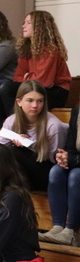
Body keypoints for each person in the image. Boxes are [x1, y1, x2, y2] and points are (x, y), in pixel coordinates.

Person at [0, 10, 71, 125]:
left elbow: (43, 81)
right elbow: (18, 77)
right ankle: (2, 130)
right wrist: (29, 78)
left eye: (28, 23)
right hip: (35, 88)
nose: (23, 26)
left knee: (7, 88)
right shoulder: (26, 50)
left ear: (39, 27)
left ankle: (18, 128)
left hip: (56, 92)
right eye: (24, 22)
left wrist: (27, 77)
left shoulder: (51, 50)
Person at [0, 80, 66, 191]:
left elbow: (56, 161)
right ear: (19, 102)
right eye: (30, 101)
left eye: (40, 101)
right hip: (23, 173)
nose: (35, 106)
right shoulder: (11, 121)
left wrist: (28, 147)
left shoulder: (53, 126)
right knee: (3, 156)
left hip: (47, 172)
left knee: (14, 151)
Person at [43, 104, 80, 246]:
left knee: (76, 175)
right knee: (56, 171)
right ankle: (58, 227)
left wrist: (73, 159)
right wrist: (63, 156)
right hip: (77, 162)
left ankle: (71, 232)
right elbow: (71, 146)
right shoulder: (77, 110)